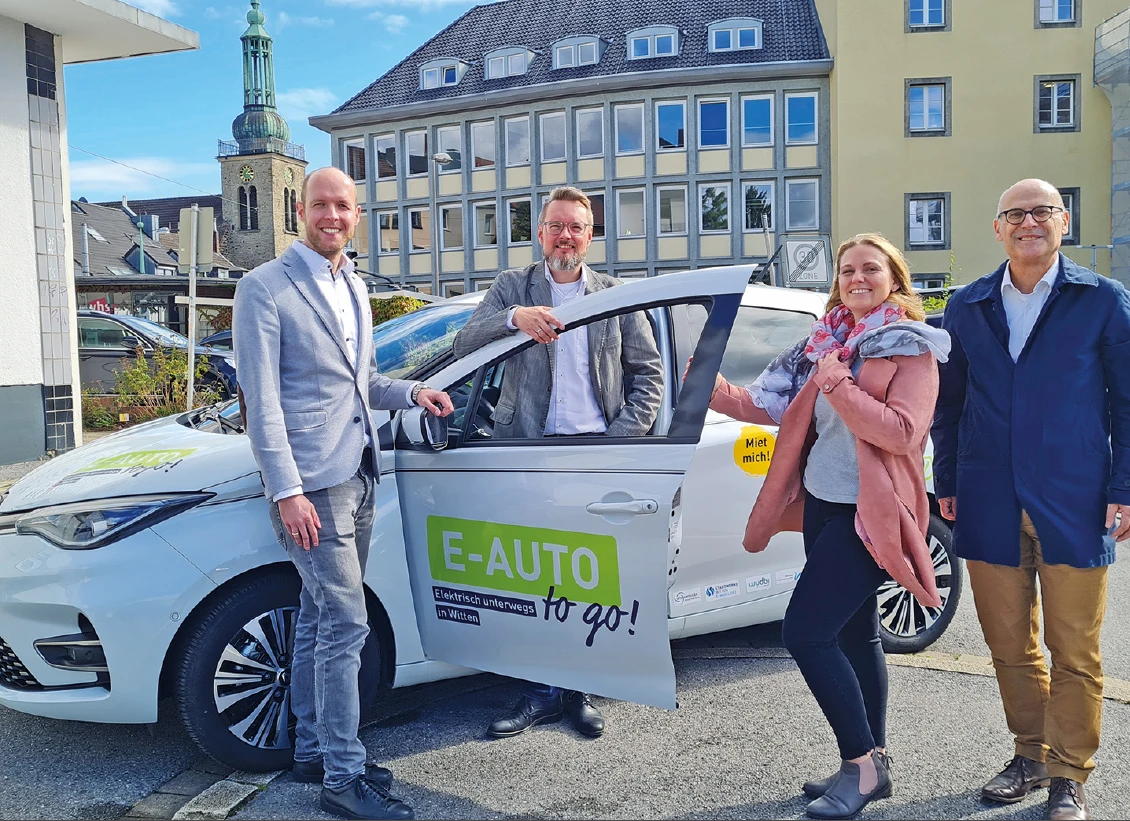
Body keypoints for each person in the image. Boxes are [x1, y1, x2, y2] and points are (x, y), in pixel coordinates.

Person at [699, 233, 948, 819]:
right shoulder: (826, 340)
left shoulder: (911, 347)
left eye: (871, 268)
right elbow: (767, 404)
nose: (857, 278)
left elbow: (901, 433)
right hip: (822, 503)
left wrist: (838, 382)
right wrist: (705, 380)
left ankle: (862, 765)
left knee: (805, 633)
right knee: (856, 635)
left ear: (895, 279)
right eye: (847, 269)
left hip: (871, 513)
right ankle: (873, 760)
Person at [233, 167, 453, 821]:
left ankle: (311, 749)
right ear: (302, 211)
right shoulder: (264, 287)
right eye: (320, 204)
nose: (332, 215)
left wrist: (414, 392)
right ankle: (342, 776)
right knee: (346, 624)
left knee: (318, 616)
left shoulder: (352, 284)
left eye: (343, 206)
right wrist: (286, 490)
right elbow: (260, 403)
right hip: (312, 486)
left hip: (359, 471)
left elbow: (364, 383)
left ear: (356, 215)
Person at [932, 178, 1130, 821]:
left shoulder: (1102, 300)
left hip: (1076, 497)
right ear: (998, 228)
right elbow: (949, 404)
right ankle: (1031, 753)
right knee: (1009, 644)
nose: (1028, 223)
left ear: (1064, 221)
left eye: (1042, 211)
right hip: (988, 495)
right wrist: (948, 482)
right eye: (1014, 214)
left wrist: (1125, 487)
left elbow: (1127, 403)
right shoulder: (966, 304)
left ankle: (1069, 773)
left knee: (1076, 650)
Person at [452, 185, 662, 739]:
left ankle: (578, 690)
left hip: (594, 453)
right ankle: (539, 693)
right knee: (532, 578)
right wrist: (514, 318)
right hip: (527, 452)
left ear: (590, 236)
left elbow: (649, 375)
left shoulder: (614, 295)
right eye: (556, 226)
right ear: (541, 233)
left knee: (589, 580)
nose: (565, 236)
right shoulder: (512, 287)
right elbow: (463, 344)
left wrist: (618, 443)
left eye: (576, 227)